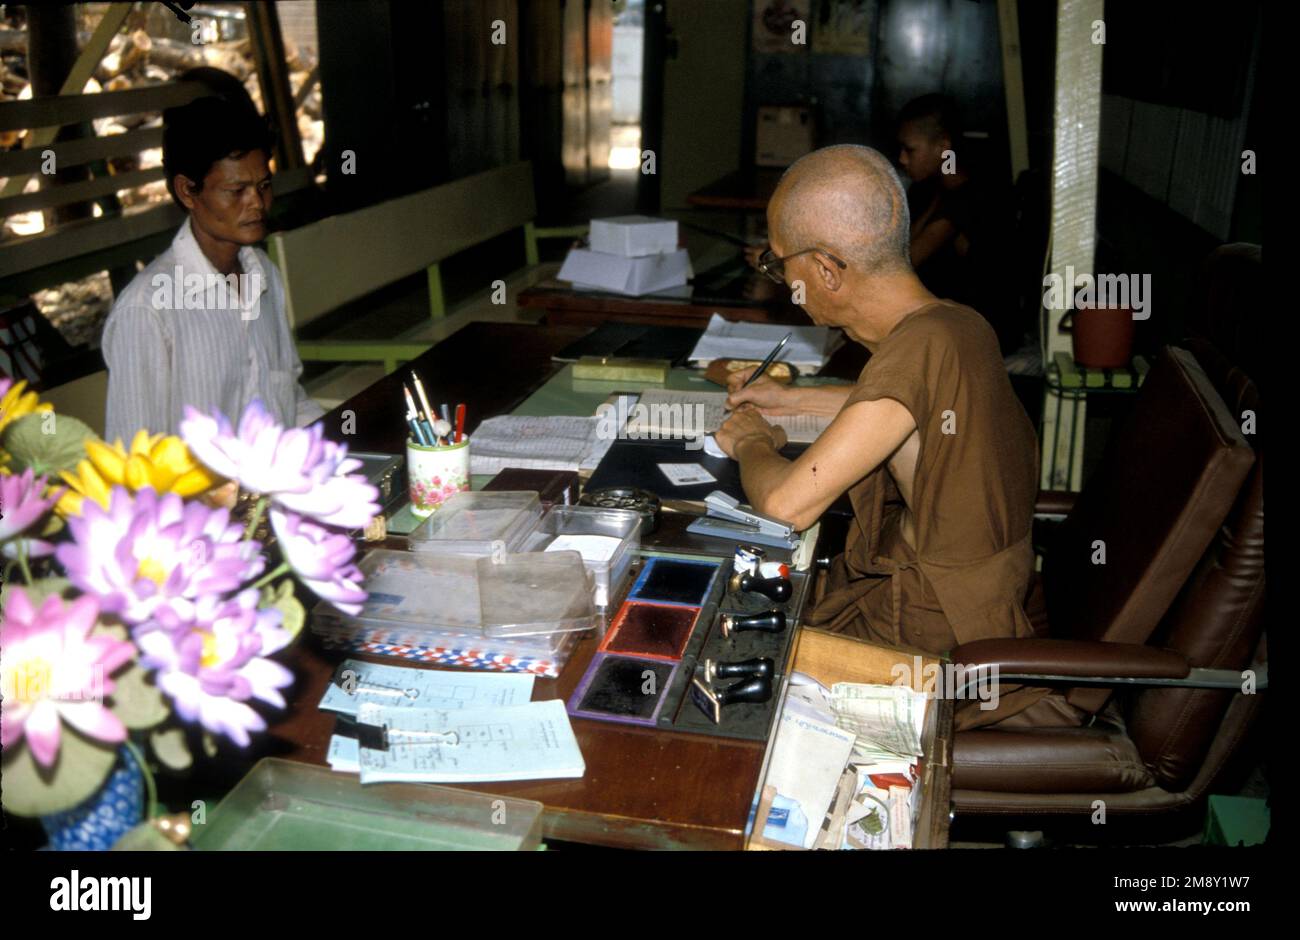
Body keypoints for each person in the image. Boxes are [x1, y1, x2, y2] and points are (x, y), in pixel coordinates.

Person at [715, 144, 1043, 729]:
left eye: (778, 263)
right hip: (982, 608)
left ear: (826, 270)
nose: (779, 276)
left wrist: (751, 442)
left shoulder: (918, 348)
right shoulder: (957, 324)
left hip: (931, 641)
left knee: (722, 655)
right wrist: (789, 400)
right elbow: (913, 407)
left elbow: (788, 505)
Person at [102, 94, 324, 445]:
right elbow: (135, 463)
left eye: (263, 186)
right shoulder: (148, 311)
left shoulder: (263, 275)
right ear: (188, 191)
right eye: (236, 190)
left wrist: (336, 447)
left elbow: (289, 402)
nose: (257, 203)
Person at [896, 94, 1018, 353]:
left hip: (982, 338)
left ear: (943, 147)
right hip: (946, 326)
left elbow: (904, 262)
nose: (903, 159)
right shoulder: (931, 191)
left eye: (910, 150)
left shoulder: (976, 197)